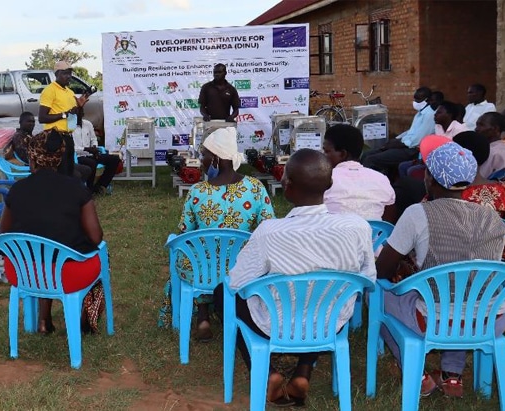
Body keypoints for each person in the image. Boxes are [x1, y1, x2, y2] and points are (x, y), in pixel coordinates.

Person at [213, 148, 375, 406]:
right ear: (330, 184)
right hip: (328, 321)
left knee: (222, 293)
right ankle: (303, 370)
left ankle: (268, 374)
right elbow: (368, 277)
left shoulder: (270, 232)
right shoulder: (357, 227)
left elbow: (237, 283)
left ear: (286, 185)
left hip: (276, 324)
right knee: (319, 300)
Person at [375, 141, 505, 398]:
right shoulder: (493, 217)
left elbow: (382, 269)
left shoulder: (417, 213)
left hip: (435, 320)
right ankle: (452, 375)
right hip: (491, 320)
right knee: (462, 290)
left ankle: (418, 373)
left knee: (380, 295)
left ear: (429, 178)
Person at [158, 128, 274, 340]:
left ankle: (203, 316)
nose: (201, 161)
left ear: (217, 159)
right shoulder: (256, 188)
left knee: (194, 256)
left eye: (205, 156)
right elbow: (268, 228)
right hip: (243, 268)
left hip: (204, 270)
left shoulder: (197, 192)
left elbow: (185, 231)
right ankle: (236, 310)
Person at [0, 129, 106, 334]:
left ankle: (43, 320)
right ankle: (86, 321)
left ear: (32, 159)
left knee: (43, 254)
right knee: (101, 255)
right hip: (67, 274)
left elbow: (5, 235)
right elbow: (95, 237)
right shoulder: (76, 189)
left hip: (22, 272)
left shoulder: (17, 190)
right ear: (58, 159)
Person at [322, 124, 395, 220]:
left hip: (335, 234)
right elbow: (387, 223)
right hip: (372, 234)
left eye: (327, 151)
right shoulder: (382, 179)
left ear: (343, 154)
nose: (323, 156)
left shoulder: (323, 180)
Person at [362, 87, 435, 175]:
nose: (415, 102)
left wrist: (396, 144)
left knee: (371, 160)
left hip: (412, 151)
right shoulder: (419, 114)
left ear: (427, 100)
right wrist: (396, 139)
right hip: (405, 146)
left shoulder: (429, 115)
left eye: (418, 99)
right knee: (367, 154)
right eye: (414, 99)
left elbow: (415, 141)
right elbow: (410, 132)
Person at [38, 61, 90, 177]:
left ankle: (70, 194)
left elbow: (77, 118)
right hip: (55, 136)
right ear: (57, 74)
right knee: (60, 172)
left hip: (68, 136)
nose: (69, 76)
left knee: (69, 170)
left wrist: (80, 108)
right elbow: (42, 117)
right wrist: (63, 115)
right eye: (65, 73)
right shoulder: (50, 90)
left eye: (70, 73)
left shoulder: (70, 92)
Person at [8, 111, 91, 182]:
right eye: (28, 121)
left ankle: (79, 192)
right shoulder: (20, 137)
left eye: (33, 122)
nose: (31, 124)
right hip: (43, 165)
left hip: (52, 160)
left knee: (86, 170)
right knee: (76, 175)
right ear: (20, 122)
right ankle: (70, 195)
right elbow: (31, 156)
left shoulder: (29, 136)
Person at [72, 118, 121, 195]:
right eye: (77, 112)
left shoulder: (88, 123)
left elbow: (94, 139)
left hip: (91, 153)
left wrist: (94, 147)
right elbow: (71, 147)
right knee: (92, 163)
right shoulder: (69, 127)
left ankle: (100, 186)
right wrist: (86, 149)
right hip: (78, 156)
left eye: (81, 112)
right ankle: (89, 190)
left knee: (114, 159)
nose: (79, 115)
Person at [476, 112, 505, 179]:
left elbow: (481, 177)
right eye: (477, 125)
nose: (476, 129)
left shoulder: (491, 152)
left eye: (481, 125)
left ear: (495, 129)